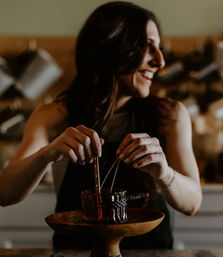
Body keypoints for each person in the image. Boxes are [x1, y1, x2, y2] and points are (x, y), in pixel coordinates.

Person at [0, 1, 202, 250]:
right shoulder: (53, 117)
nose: (159, 61)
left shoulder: (170, 115)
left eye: (158, 48)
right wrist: (48, 154)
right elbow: (5, 194)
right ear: (111, 48)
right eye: (147, 47)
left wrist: (164, 172)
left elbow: (192, 204)